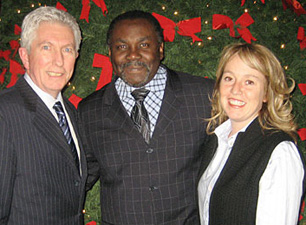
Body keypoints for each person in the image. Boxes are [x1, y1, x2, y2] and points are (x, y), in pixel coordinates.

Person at [78, 10, 214, 225]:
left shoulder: (203, 96)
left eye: (143, 45)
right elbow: (79, 178)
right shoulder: (90, 111)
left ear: (160, 49)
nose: (132, 55)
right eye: (121, 47)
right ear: (110, 52)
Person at [197, 43, 306, 225]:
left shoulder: (279, 152)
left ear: (266, 93)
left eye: (249, 82)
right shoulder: (216, 140)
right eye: (229, 78)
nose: (236, 89)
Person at [0, 6, 87, 224]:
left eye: (67, 50)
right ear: (25, 56)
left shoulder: (71, 113)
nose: (58, 61)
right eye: (46, 47)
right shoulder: (4, 113)